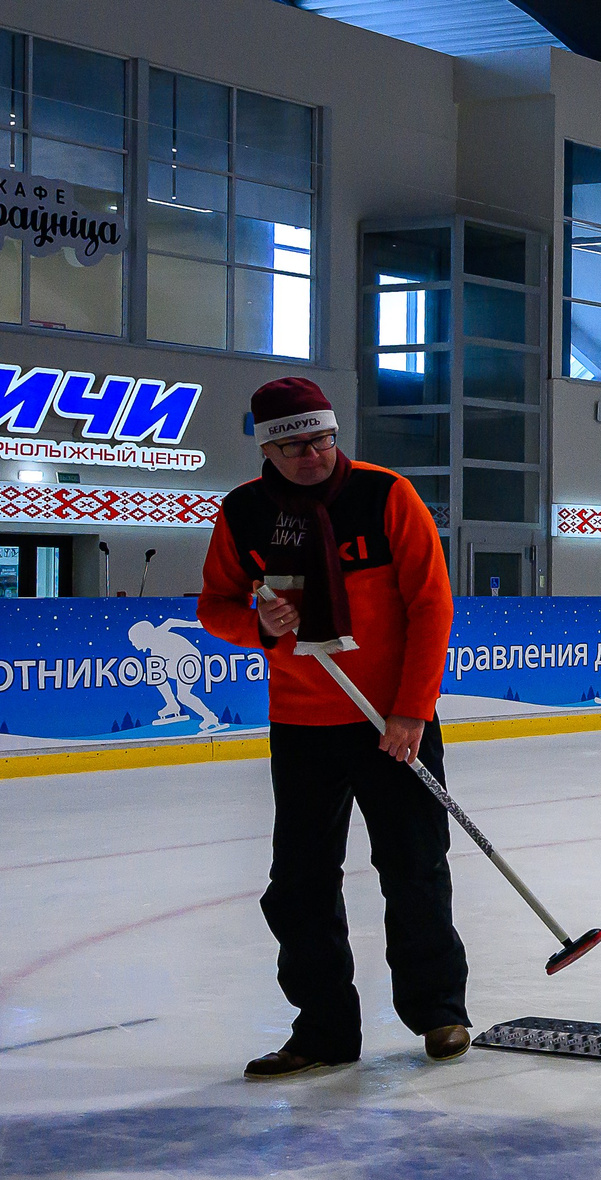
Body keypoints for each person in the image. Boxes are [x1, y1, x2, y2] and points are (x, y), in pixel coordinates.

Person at [196, 376, 468, 1080]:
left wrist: (412, 708)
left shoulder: (385, 495)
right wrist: (259, 623)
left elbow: (431, 605)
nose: (312, 455)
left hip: (393, 722)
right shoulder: (245, 513)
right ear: (267, 449)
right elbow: (215, 605)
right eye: (294, 446)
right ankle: (323, 1030)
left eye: (321, 439)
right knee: (299, 883)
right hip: (303, 723)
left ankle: (439, 1010)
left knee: (414, 867)